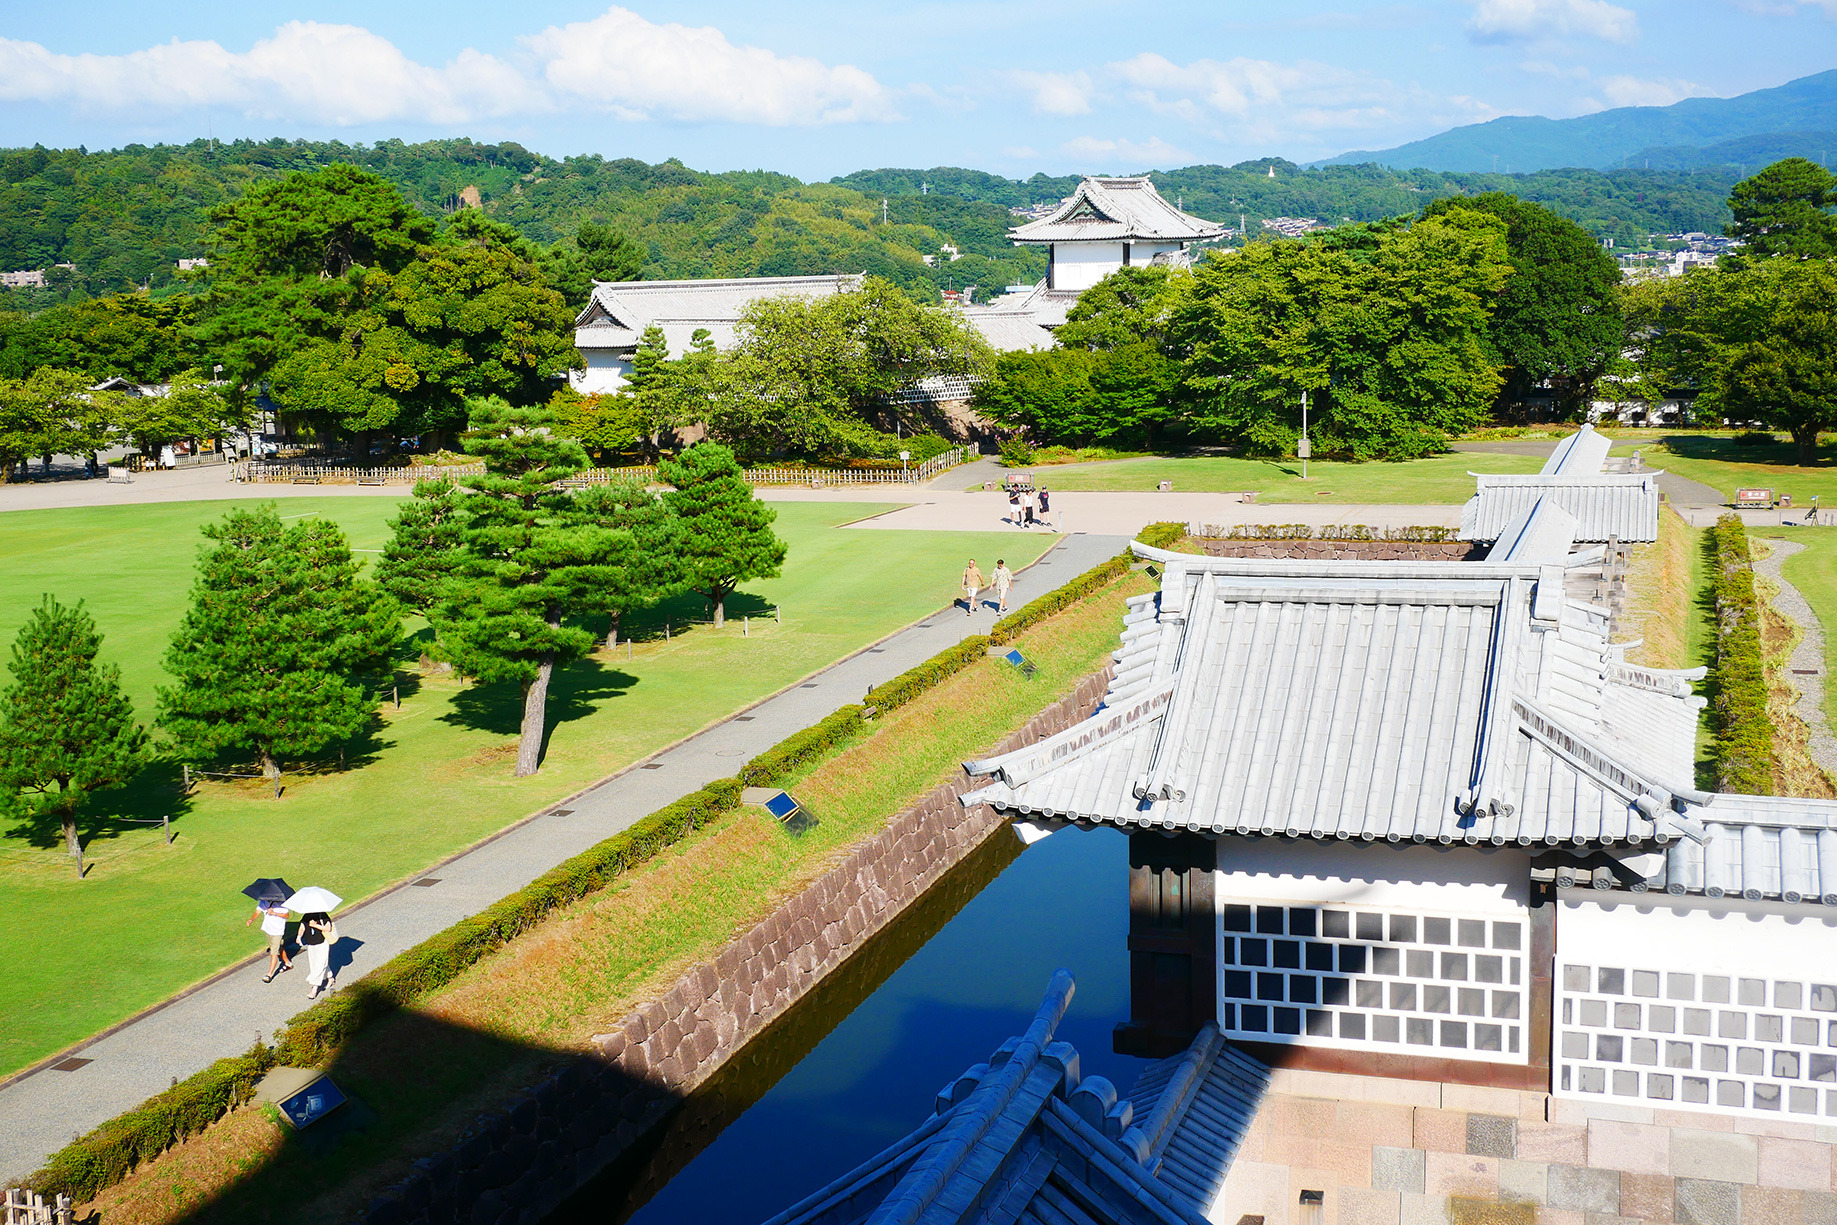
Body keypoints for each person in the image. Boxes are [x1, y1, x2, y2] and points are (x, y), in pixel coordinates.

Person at [246, 899, 293, 982]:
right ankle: (288, 963)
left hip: (277, 931)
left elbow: (287, 915)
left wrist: (274, 913)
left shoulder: (282, 903)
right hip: (268, 929)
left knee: (273, 953)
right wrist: (251, 919)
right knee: (277, 948)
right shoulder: (264, 901)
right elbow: (257, 911)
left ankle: (269, 974)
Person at [298, 911, 337, 1000]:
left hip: (322, 943)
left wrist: (315, 925)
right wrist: (299, 937)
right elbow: (302, 928)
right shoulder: (306, 916)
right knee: (316, 964)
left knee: (319, 964)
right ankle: (330, 977)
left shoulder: (322, 915)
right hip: (311, 945)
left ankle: (314, 988)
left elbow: (328, 928)